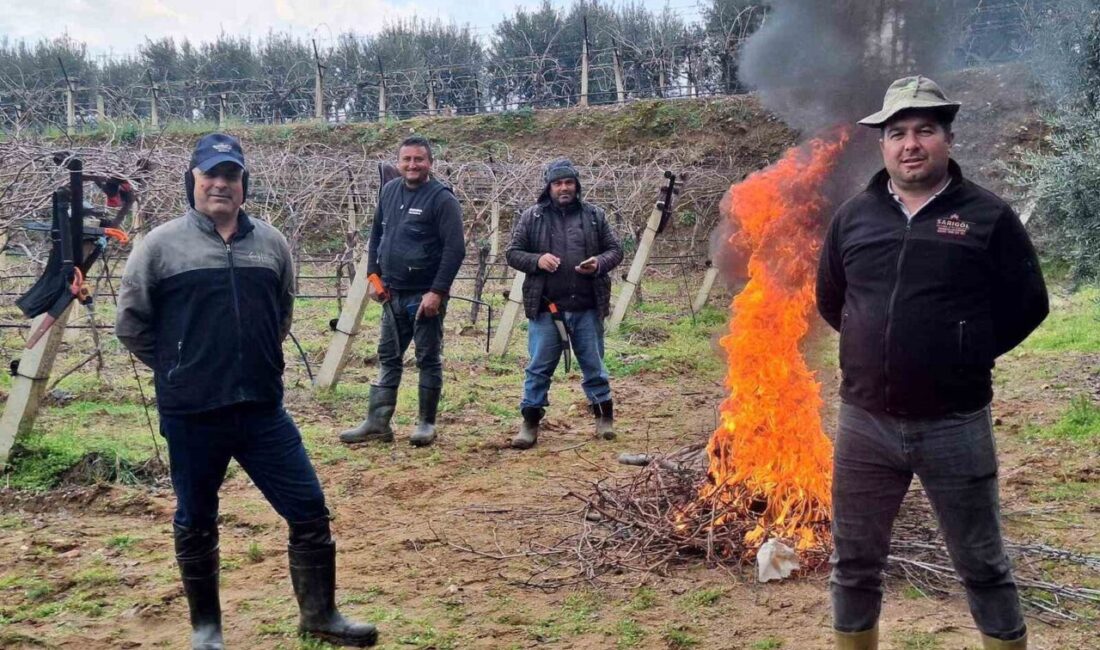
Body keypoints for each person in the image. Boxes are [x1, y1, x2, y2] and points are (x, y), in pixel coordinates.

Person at [117, 134, 377, 649]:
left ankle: (320, 615)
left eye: (231, 175)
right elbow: (132, 325)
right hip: (193, 412)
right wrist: (182, 368)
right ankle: (207, 630)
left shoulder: (271, 243)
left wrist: (250, 361)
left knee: (307, 509)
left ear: (243, 184)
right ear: (192, 180)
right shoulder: (160, 247)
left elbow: (280, 313)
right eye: (210, 174)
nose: (221, 184)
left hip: (261, 408)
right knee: (196, 518)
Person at [816, 76, 1049, 650]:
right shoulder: (854, 218)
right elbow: (832, 299)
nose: (910, 144)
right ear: (883, 144)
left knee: (983, 563)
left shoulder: (986, 216)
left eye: (925, 130)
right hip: (865, 424)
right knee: (853, 564)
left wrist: (964, 350)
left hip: (955, 424)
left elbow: (1028, 304)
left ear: (947, 138)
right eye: (897, 133)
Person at [338, 136, 465, 447]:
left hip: (424, 295)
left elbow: (455, 249)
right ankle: (377, 423)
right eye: (406, 159)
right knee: (388, 356)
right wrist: (373, 276)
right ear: (399, 162)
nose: (412, 165)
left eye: (418, 159)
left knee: (427, 357)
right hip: (392, 292)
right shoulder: (390, 191)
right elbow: (377, 233)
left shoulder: (441, 199)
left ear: (429, 164)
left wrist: (437, 292)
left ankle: (425, 423)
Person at [505, 159, 624, 449]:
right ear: (549, 187)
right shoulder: (532, 217)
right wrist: (537, 260)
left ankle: (603, 419)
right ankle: (530, 423)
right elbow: (512, 252)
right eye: (558, 183)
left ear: (576, 185)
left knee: (593, 365)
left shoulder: (594, 216)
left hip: (586, 306)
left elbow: (615, 250)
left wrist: (598, 263)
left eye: (569, 182)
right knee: (538, 368)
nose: (564, 188)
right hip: (547, 308)